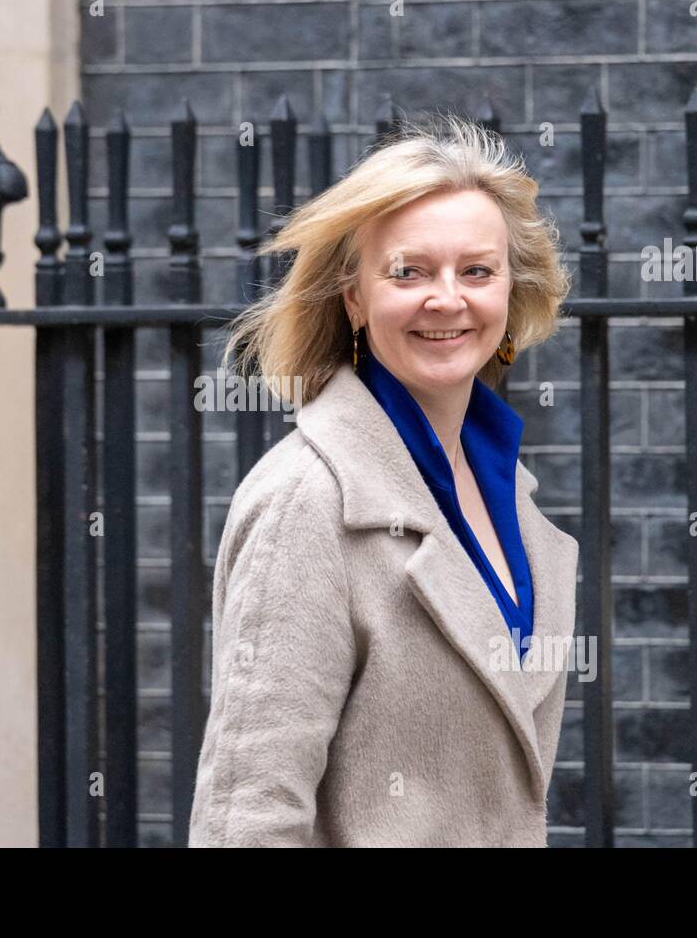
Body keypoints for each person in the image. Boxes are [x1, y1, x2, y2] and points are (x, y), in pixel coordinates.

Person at [188, 113, 579, 846]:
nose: (447, 298)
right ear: (355, 299)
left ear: (509, 291)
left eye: (476, 270)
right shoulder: (307, 500)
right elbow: (250, 816)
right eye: (409, 271)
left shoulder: (509, 493)